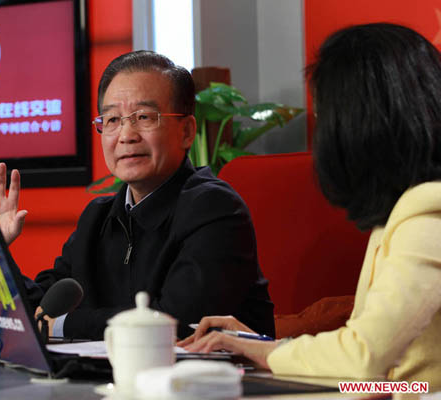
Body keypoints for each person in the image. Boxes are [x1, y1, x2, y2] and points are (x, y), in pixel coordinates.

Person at [179, 23, 441, 387]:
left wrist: (267, 353)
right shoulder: (405, 212)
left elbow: (364, 358)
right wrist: (263, 346)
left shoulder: (426, 217)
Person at [0, 51, 275, 340]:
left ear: (186, 131)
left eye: (144, 117)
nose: (126, 135)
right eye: (113, 120)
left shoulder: (214, 209)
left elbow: (178, 325)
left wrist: (65, 325)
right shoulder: (98, 218)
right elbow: (43, 310)